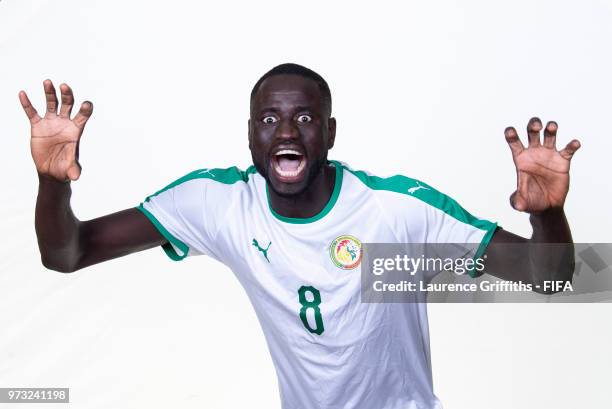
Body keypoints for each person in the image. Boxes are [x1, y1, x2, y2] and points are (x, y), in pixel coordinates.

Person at [20, 63, 581, 408]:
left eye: (305, 119)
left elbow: (547, 278)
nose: (286, 131)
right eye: (268, 119)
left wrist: (548, 215)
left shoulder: (395, 210)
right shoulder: (220, 204)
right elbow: (68, 253)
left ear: (330, 133)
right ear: (249, 134)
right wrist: (51, 182)